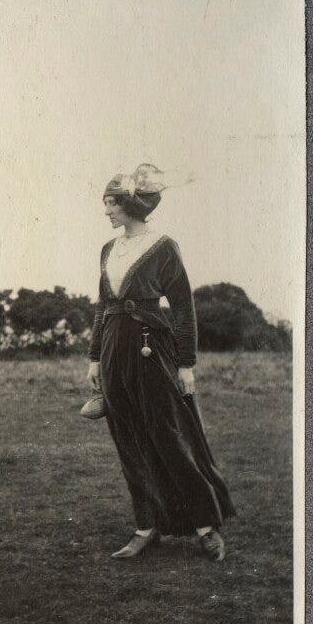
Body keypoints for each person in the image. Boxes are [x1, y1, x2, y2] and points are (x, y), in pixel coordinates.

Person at [87, 164, 236, 561]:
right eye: (106, 205)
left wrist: (186, 364)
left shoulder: (164, 246)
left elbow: (184, 310)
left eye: (112, 204)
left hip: (153, 349)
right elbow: (104, 305)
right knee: (129, 439)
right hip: (115, 351)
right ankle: (146, 527)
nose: (107, 212)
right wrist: (94, 357)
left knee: (170, 436)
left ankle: (206, 527)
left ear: (131, 205)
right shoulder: (107, 249)